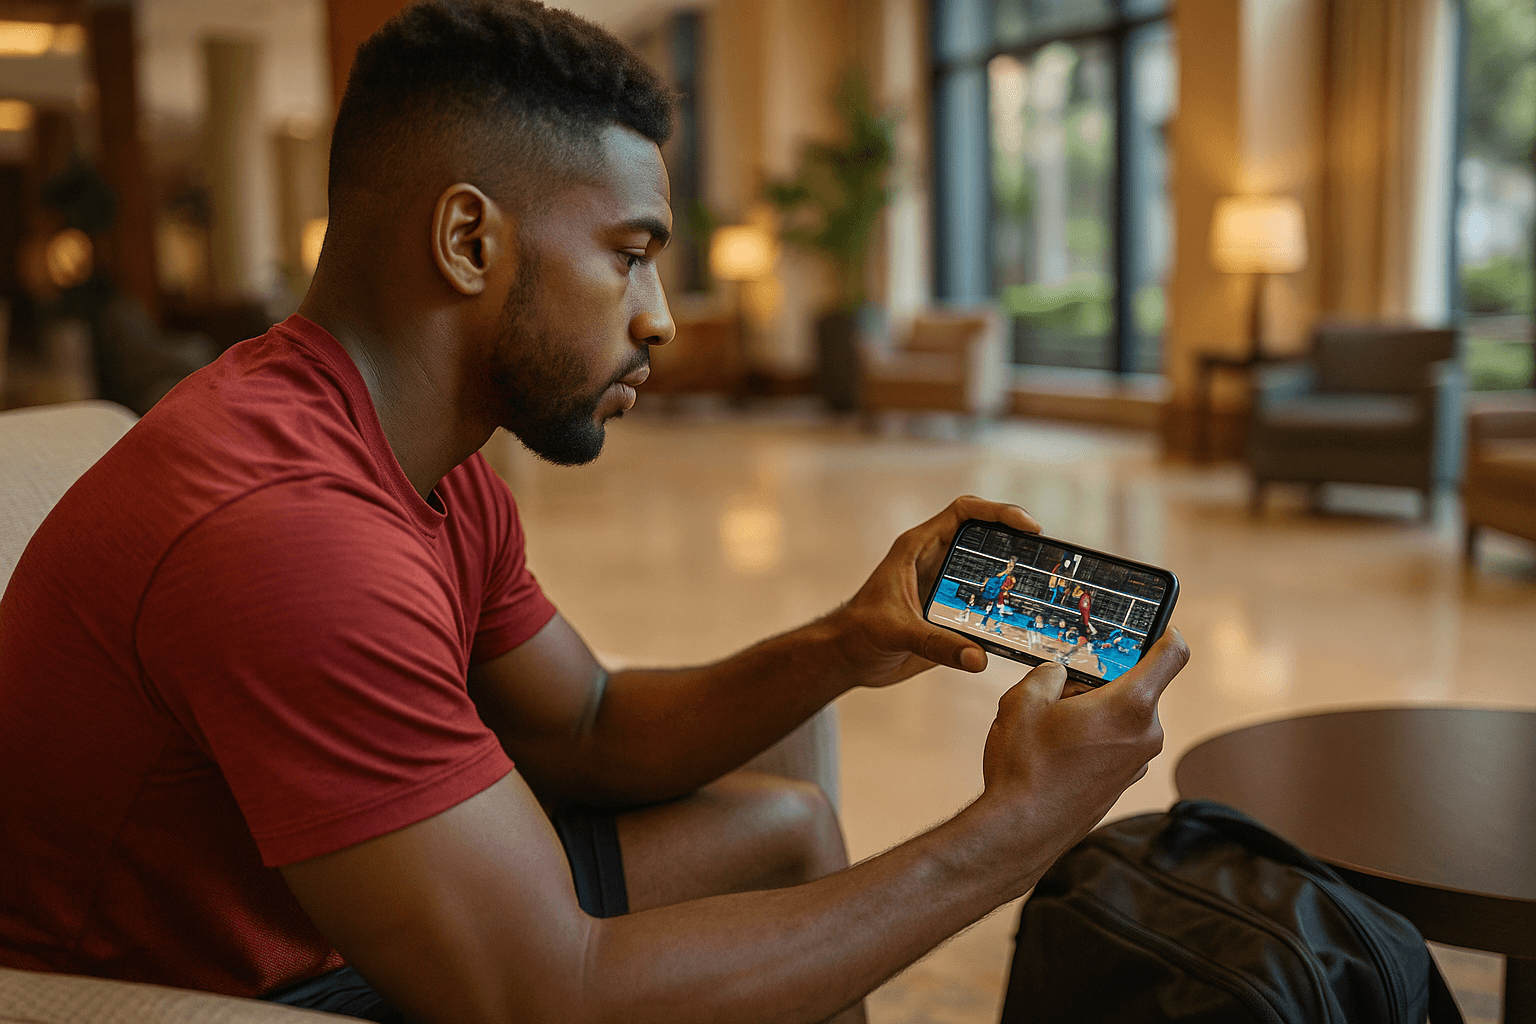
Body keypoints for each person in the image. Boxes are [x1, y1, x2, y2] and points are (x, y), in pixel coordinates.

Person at [0, 4, 1188, 1024]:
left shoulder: (425, 457)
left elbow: (591, 724)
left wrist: (850, 637)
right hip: (190, 988)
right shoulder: (290, 533)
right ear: (470, 241)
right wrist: (1020, 825)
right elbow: (547, 995)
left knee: (780, 831)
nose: (660, 317)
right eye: (630, 256)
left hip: (309, 898)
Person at [977, 556, 1019, 632]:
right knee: (989, 608)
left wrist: (1006, 591)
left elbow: (1010, 587)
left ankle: (998, 627)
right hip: (996, 592)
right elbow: (996, 577)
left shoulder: (1012, 579)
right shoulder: (1001, 574)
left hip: (1001, 594)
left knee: (1001, 611)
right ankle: (983, 623)